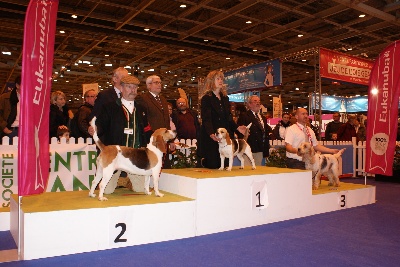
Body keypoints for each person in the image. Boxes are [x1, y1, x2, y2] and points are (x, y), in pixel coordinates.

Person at [95, 75, 153, 194]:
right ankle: (120, 179)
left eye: (135, 87)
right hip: (116, 156)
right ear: (121, 88)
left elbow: (147, 130)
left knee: (140, 189)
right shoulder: (110, 107)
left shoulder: (141, 109)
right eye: (129, 87)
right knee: (107, 191)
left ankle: (127, 181)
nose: (133, 90)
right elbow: (101, 126)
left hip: (136, 158)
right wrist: (95, 129)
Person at [199, 70, 247, 169]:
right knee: (213, 164)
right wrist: (211, 133)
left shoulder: (225, 98)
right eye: (218, 78)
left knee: (226, 165)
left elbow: (228, 117)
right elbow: (206, 119)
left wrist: (237, 127)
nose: (220, 81)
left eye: (221, 79)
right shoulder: (206, 98)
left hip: (225, 137)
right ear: (211, 81)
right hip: (212, 136)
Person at [88, 67, 128, 132]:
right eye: (124, 77)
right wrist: (95, 128)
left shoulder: (129, 97)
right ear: (115, 79)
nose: (127, 80)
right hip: (109, 137)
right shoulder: (104, 95)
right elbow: (94, 116)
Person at [237, 95, 270, 166]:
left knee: (257, 170)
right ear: (249, 104)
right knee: (247, 171)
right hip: (248, 148)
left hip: (260, 149)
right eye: (255, 101)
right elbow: (239, 133)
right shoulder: (244, 116)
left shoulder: (263, 118)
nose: (257, 103)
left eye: (259, 102)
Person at [2, 76, 21, 142]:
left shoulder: (31, 99)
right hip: (11, 130)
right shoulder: (5, 97)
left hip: (26, 131)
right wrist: (4, 127)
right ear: (17, 85)